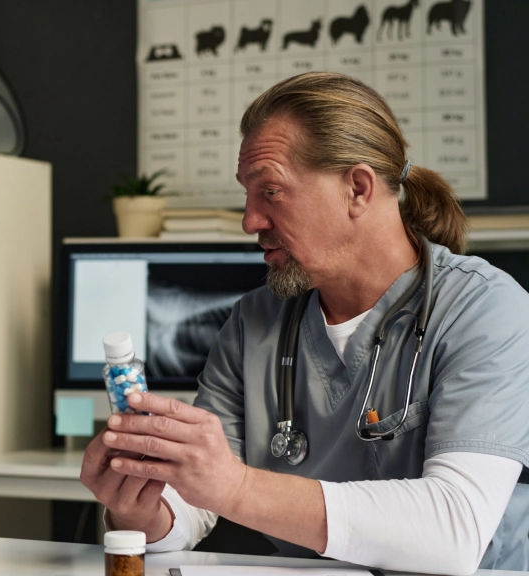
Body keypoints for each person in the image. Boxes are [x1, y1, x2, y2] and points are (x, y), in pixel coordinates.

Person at [81, 71, 529, 575]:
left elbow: (456, 528)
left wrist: (239, 487)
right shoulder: (256, 321)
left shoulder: (484, 309)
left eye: (270, 191)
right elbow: (195, 501)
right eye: (247, 195)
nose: (250, 220)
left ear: (357, 188)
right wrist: (146, 510)